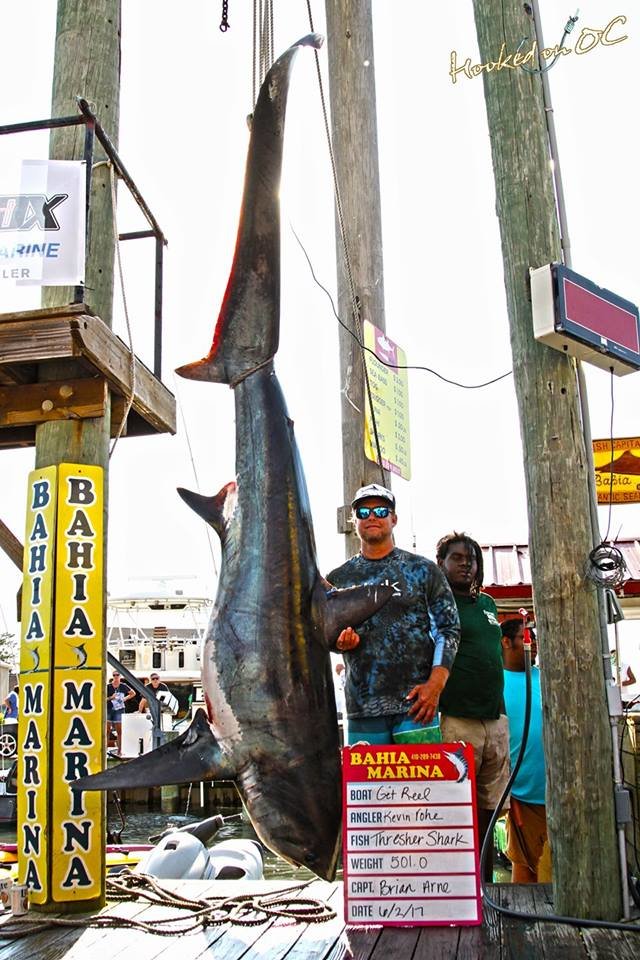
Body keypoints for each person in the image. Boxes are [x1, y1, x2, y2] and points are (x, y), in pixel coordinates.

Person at [326, 484, 460, 745]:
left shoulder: (424, 570)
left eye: (380, 510)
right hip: (363, 710)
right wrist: (338, 643)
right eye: (363, 512)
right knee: (367, 787)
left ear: (394, 519)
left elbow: (448, 628)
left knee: (423, 786)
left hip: (417, 708)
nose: (372, 517)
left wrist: (436, 684)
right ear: (354, 521)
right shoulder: (337, 578)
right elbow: (323, 634)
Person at [436, 532, 509, 881]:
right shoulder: (437, 606)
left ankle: (487, 884)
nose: (467, 564)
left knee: (490, 810)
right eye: (458, 558)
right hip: (457, 719)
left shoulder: (489, 604)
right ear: (442, 564)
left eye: (472, 559)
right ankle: (460, 887)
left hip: (494, 719)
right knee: (456, 809)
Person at [501, 619, 552, 883]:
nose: (533, 643)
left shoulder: (546, 678)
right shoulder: (494, 681)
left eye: (535, 637)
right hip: (522, 794)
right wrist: (510, 796)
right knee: (525, 867)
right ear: (506, 642)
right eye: (525, 637)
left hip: (554, 788)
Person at [106, 671, 134, 755]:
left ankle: (119, 751)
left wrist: (125, 699)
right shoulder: (108, 687)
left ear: (120, 676)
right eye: (114, 675)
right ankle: (105, 750)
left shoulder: (123, 686)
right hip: (109, 709)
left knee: (119, 731)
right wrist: (111, 697)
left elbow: (133, 693)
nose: (116, 676)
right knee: (107, 730)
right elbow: (102, 698)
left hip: (120, 710)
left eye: (117, 675)